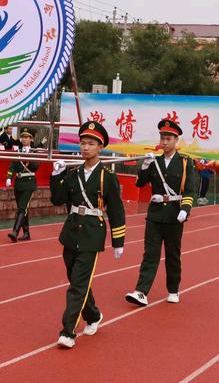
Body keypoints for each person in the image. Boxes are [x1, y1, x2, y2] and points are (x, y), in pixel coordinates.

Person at [50, 121, 125, 348]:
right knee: (77, 280)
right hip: (71, 232)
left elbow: (116, 210)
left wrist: (118, 241)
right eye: (82, 143)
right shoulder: (73, 174)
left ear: (100, 147)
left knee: (77, 286)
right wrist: (56, 175)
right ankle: (93, 315)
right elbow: (57, 199)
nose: (85, 147)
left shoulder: (107, 177)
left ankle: (68, 331)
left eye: (90, 144)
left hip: (92, 234)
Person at [126, 119, 193, 307]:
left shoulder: (185, 163)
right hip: (155, 214)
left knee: (173, 255)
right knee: (150, 254)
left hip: (174, 214)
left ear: (176, 140)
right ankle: (141, 291)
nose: (164, 142)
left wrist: (185, 210)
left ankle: (173, 289)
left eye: (169, 138)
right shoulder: (154, 161)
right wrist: (145, 166)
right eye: (162, 138)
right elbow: (140, 183)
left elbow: (189, 190)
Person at [5, 127, 40, 242]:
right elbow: (12, 166)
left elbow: (36, 167)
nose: (24, 139)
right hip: (18, 183)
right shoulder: (18, 152)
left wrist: (28, 157)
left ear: (31, 139)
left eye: (27, 137)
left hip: (29, 183)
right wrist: (9, 177)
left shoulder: (34, 152)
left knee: (22, 208)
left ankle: (15, 231)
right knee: (23, 209)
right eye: (23, 137)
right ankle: (26, 233)